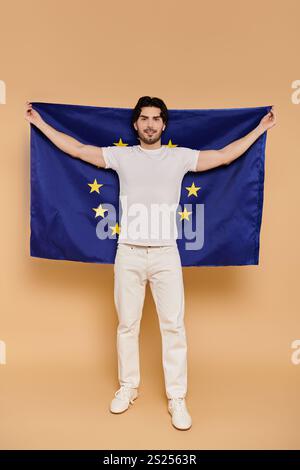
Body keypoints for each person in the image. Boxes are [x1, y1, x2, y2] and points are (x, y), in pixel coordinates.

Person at [25, 96, 276, 430]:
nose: (150, 124)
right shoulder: (122, 156)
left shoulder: (180, 157)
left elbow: (223, 156)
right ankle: (128, 387)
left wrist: (260, 128)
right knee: (127, 324)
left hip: (165, 254)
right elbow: (78, 150)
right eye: (144, 118)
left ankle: (177, 397)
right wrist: (40, 123)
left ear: (164, 124)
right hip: (128, 252)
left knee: (173, 326)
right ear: (135, 124)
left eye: (156, 119)